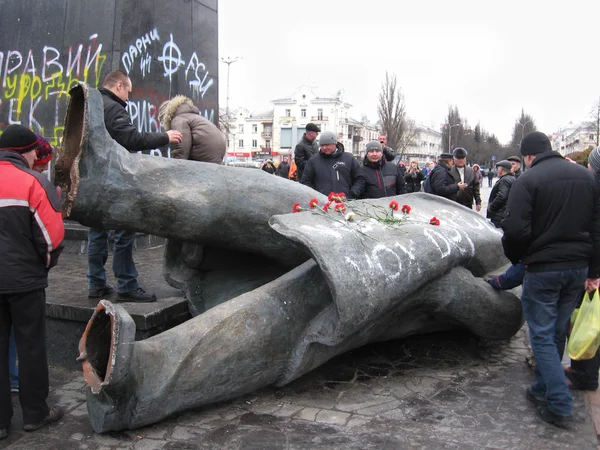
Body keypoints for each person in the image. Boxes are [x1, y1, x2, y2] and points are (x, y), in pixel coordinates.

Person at [501, 131, 600, 429]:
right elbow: (597, 228)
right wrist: (594, 271)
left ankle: (559, 403)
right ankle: (541, 389)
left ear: (528, 156)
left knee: (542, 336)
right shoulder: (586, 177)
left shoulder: (527, 180)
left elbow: (515, 230)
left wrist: (520, 258)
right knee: (557, 332)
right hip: (577, 269)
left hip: (543, 269)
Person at [88, 70, 183, 303]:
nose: (128, 99)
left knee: (97, 233)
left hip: (93, 179)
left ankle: (96, 283)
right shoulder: (113, 108)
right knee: (124, 231)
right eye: (128, 92)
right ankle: (127, 284)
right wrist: (165, 137)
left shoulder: (93, 105)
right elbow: (132, 139)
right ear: (119, 85)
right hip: (113, 181)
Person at [0, 125, 65, 439]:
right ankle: (36, 413)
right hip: (25, 282)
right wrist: (43, 267)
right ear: (26, 151)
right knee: (30, 348)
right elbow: (52, 238)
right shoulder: (34, 181)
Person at [563, 145, 600, 392]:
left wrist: (593, 273)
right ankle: (581, 369)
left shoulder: (595, 190)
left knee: (585, 321)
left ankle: (584, 375)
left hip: (592, 268)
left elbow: (596, 234)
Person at [158, 95, 225, 163]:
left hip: (204, 156)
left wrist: (175, 165)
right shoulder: (194, 117)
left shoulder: (178, 120)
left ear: (166, 117)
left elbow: (182, 148)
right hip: (215, 155)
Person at [301, 130, 362, 198]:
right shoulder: (313, 161)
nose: (324, 148)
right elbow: (306, 181)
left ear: (335, 143)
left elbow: (359, 179)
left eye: (327, 145)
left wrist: (353, 193)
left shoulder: (349, 159)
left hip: (345, 202)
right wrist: (315, 195)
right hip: (322, 204)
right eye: (322, 145)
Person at [486, 160, 515, 228]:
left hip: (499, 214)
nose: (497, 171)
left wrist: (492, 207)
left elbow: (502, 196)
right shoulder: (512, 178)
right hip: (506, 213)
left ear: (501, 169)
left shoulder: (504, 180)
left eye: (498, 169)